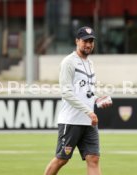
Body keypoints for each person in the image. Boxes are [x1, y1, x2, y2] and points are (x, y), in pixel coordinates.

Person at [44, 26, 112, 175]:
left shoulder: (90, 64)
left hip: (88, 121)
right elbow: (66, 93)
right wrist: (89, 111)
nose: (88, 44)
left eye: (91, 41)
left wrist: (98, 99)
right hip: (71, 120)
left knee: (93, 158)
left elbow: (87, 92)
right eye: (85, 41)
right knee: (62, 159)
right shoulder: (68, 62)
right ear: (77, 41)